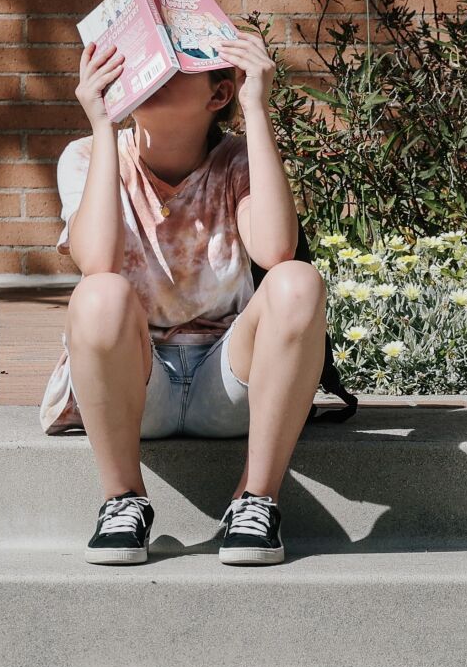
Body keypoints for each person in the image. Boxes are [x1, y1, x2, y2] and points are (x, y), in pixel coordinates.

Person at [44, 29, 328, 566]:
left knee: (299, 282)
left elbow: (275, 248)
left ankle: (256, 501)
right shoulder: (86, 156)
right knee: (99, 293)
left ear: (217, 95)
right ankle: (123, 501)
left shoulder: (240, 160)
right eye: (144, 59)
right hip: (133, 383)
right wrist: (102, 124)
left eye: (173, 67)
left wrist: (257, 107)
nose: (150, 73)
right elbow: (97, 261)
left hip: (227, 383)